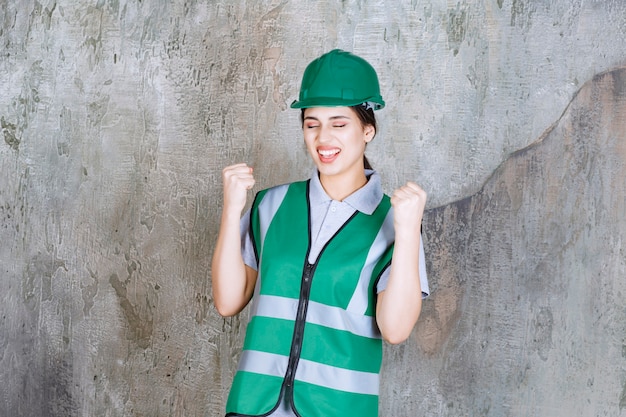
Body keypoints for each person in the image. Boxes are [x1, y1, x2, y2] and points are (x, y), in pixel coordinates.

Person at [211, 49, 430, 417]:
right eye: (312, 123)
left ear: (368, 129)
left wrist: (408, 233)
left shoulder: (396, 221)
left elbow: (395, 329)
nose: (323, 138)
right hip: (252, 405)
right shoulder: (270, 205)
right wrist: (231, 209)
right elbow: (227, 301)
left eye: (339, 123)